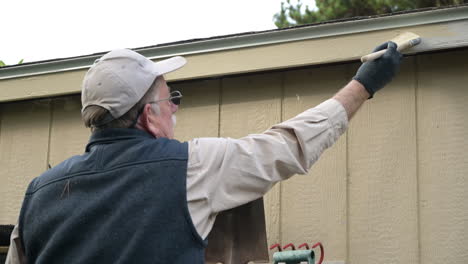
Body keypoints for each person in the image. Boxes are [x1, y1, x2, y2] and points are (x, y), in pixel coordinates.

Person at [6, 42, 402, 263]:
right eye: (171, 98)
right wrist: (363, 85)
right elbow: (290, 144)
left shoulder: (37, 193)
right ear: (148, 116)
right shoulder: (191, 167)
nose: (176, 108)